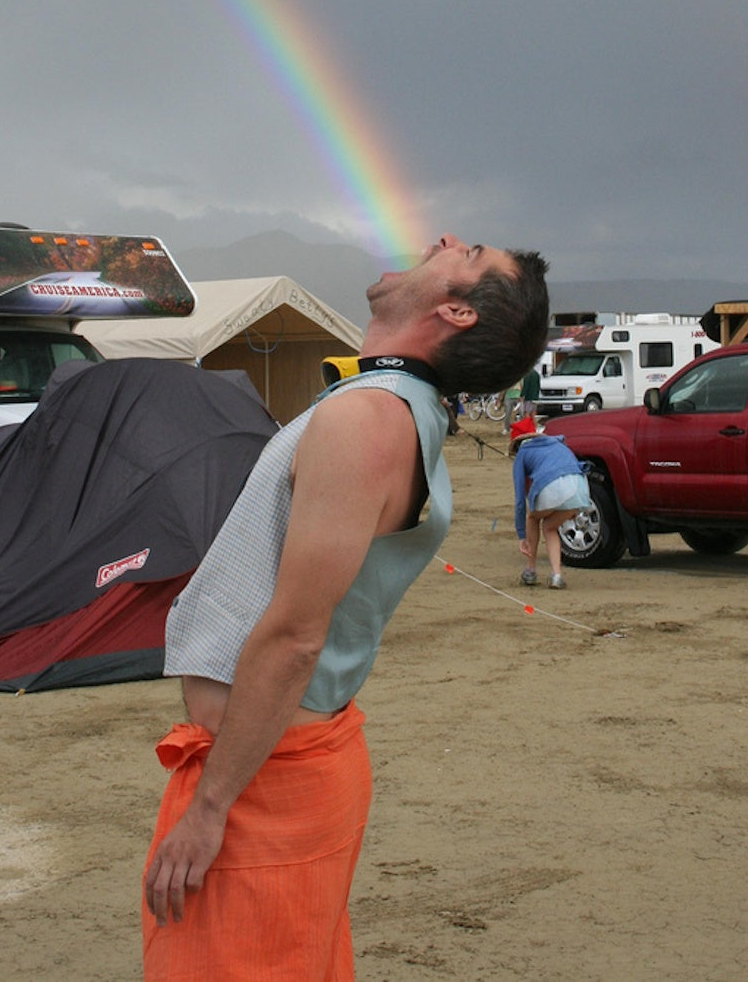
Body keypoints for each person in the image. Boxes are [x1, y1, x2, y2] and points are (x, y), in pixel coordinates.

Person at [142, 233, 550, 980]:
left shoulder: (369, 417)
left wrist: (210, 807)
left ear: (456, 309)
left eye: (468, 249)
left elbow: (298, 634)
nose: (443, 239)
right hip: (273, 766)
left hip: (263, 785)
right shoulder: (395, 406)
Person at [509, 416, 591, 590]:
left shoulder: (522, 454)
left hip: (553, 485)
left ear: (517, 445)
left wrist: (521, 535)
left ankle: (530, 570)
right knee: (550, 527)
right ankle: (556, 575)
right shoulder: (557, 444)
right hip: (580, 487)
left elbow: (519, 501)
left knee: (533, 518)